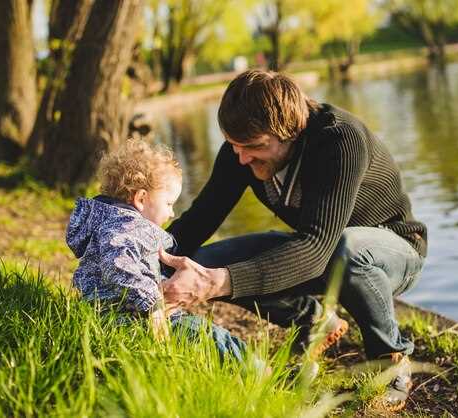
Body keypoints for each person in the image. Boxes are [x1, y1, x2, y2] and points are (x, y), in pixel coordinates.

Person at [161, 70, 427, 410]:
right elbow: (201, 218)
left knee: (344, 249)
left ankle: (390, 358)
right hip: (322, 250)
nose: (241, 158)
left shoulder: (340, 141)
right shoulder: (240, 151)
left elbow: (317, 246)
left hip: (392, 251)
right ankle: (312, 319)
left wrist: (217, 283)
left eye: (254, 146)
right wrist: (144, 255)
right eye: (234, 145)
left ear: (291, 130)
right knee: (202, 263)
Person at [66, 139, 247, 362]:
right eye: (169, 204)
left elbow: (133, 269)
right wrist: (153, 304)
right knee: (213, 338)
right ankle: (260, 373)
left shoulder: (114, 225)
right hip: (129, 317)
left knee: (205, 334)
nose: (172, 213)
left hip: (119, 313)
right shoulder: (124, 230)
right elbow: (119, 266)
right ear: (141, 198)